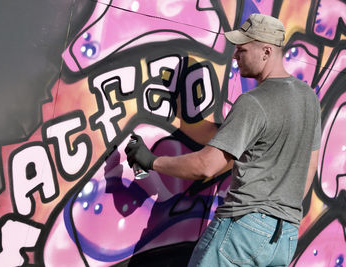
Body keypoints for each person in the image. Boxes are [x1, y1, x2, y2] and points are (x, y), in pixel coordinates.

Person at [125, 13, 321, 266]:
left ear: (266, 51)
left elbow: (206, 166)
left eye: (242, 49)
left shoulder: (254, 103)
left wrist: (151, 161)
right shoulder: (308, 99)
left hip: (243, 230)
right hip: (285, 238)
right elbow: (310, 167)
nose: (235, 56)